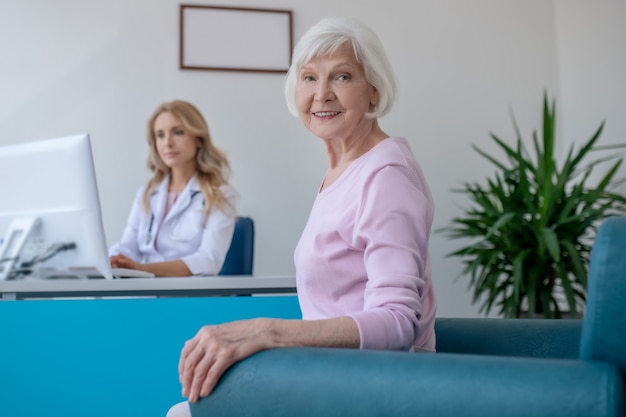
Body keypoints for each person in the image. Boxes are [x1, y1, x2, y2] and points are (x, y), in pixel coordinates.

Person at [167, 16, 436, 416]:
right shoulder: (345, 169)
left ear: (374, 92)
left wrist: (268, 331)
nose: (322, 93)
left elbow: (398, 322)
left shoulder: (386, 176)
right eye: (309, 78)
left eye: (342, 77)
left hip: (377, 385)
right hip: (333, 373)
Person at [109, 100, 238, 277]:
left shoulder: (220, 195)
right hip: (145, 295)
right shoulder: (147, 193)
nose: (167, 143)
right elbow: (128, 247)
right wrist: (109, 261)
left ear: (199, 139)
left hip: (189, 298)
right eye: (160, 135)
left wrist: (143, 270)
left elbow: (209, 260)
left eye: (177, 132)